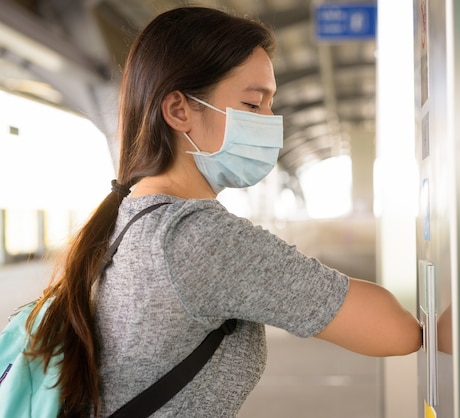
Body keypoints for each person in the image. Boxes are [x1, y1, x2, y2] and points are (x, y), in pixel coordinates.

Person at [27, 6, 422, 417]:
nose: (272, 120)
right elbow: (395, 331)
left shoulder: (130, 218)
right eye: (254, 105)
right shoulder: (196, 237)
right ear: (179, 110)